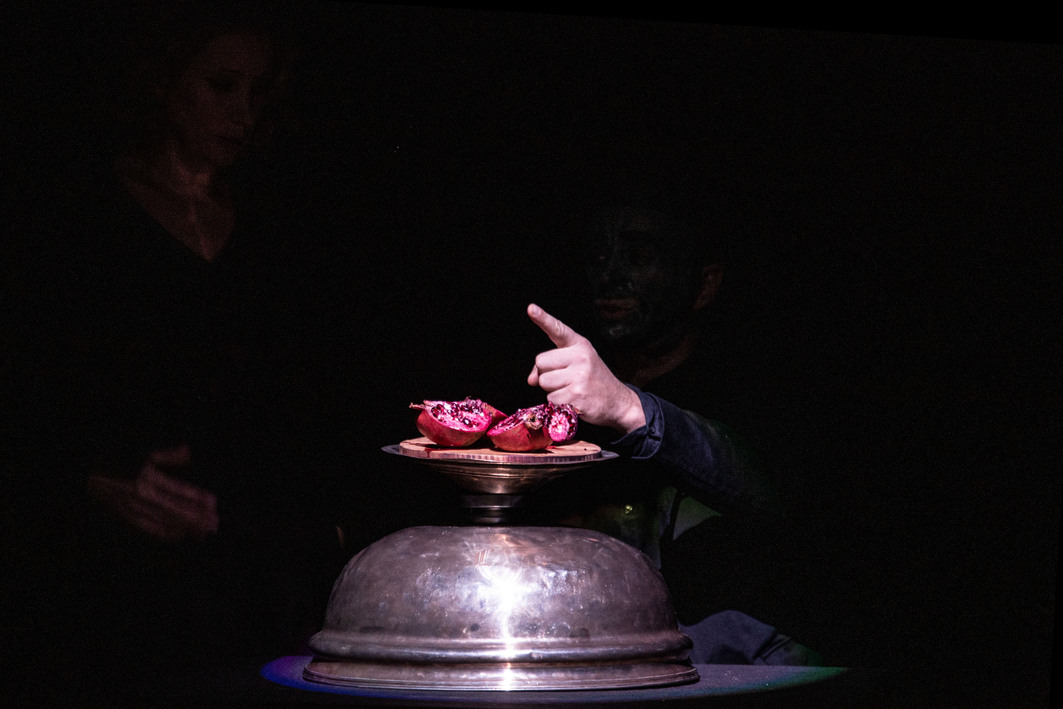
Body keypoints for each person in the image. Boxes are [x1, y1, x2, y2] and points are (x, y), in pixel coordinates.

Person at [1, 2, 357, 702]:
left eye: (257, 92)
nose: (242, 113)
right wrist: (94, 478)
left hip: (250, 567)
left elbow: (300, 399)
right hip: (113, 572)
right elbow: (33, 390)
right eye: (221, 86)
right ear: (167, 82)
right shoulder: (82, 216)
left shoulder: (270, 225)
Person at [518, 190, 822, 666]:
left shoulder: (759, 387)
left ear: (704, 285)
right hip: (589, 665)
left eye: (638, 257)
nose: (610, 275)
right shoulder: (552, 395)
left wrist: (628, 407)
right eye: (599, 257)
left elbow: (773, 488)